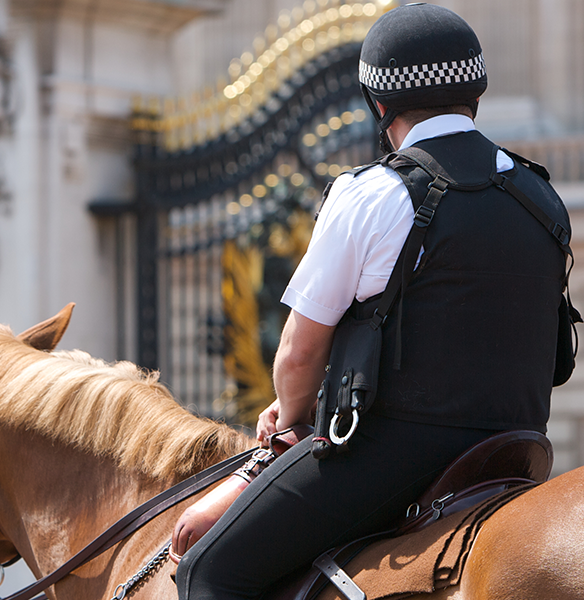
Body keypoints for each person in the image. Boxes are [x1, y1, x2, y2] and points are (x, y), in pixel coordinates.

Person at [176, 4, 572, 599]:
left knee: (212, 571)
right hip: (518, 449)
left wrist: (289, 414)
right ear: (477, 94)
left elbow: (299, 353)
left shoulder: (371, 194)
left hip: (396, 457)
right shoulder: (541, 196)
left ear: (378, 104)